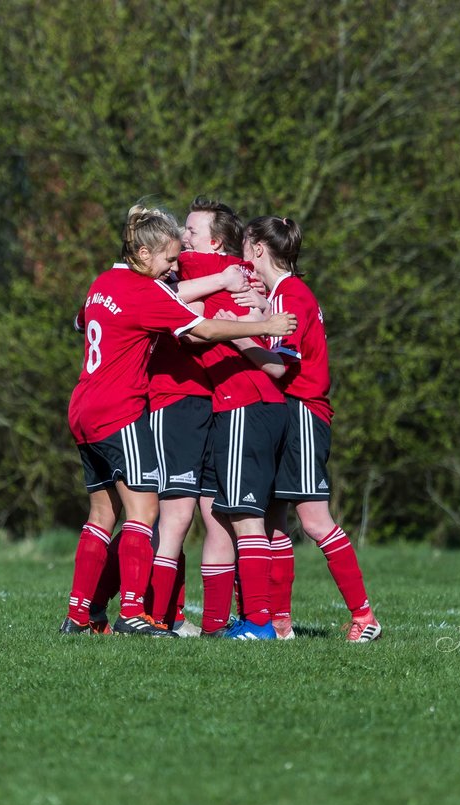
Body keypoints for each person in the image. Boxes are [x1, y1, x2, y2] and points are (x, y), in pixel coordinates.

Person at [62, 203, 297, 636]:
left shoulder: (103, 282)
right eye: (170, 259)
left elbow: (81, 321)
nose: (176, 266)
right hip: (120, 408)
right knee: (145, 510)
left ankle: (80, 615)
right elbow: (204, 330)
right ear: (146, 254)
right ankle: (134, 611)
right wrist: (270, 320)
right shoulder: (145, 291)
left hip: (82, 405)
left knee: (101, 514)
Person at [243, 216, 382, 642]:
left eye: (246, 246)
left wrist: (239, 339)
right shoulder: (283, 294)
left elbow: (281, 367)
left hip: (303, 411)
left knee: (316, 520)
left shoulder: (292, 296)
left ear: (260, 250)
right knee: (273, 518)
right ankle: (280, 621)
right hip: (289, 412)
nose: (241, 255)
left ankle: (364, 617)